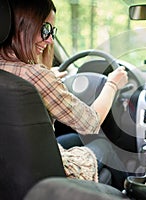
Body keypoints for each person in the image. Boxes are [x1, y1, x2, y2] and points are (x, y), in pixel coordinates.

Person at [0, 0, 128, 191]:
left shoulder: (16, 74)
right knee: (103, 144)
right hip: (47, 177)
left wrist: (48, 77)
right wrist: (112, 84)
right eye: (45, 30)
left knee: (70, 138)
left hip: (11, 167)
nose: (50, 40)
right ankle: (125, 193)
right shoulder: (37, 76)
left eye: (52, 32)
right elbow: (90, 123)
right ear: (23, 27)